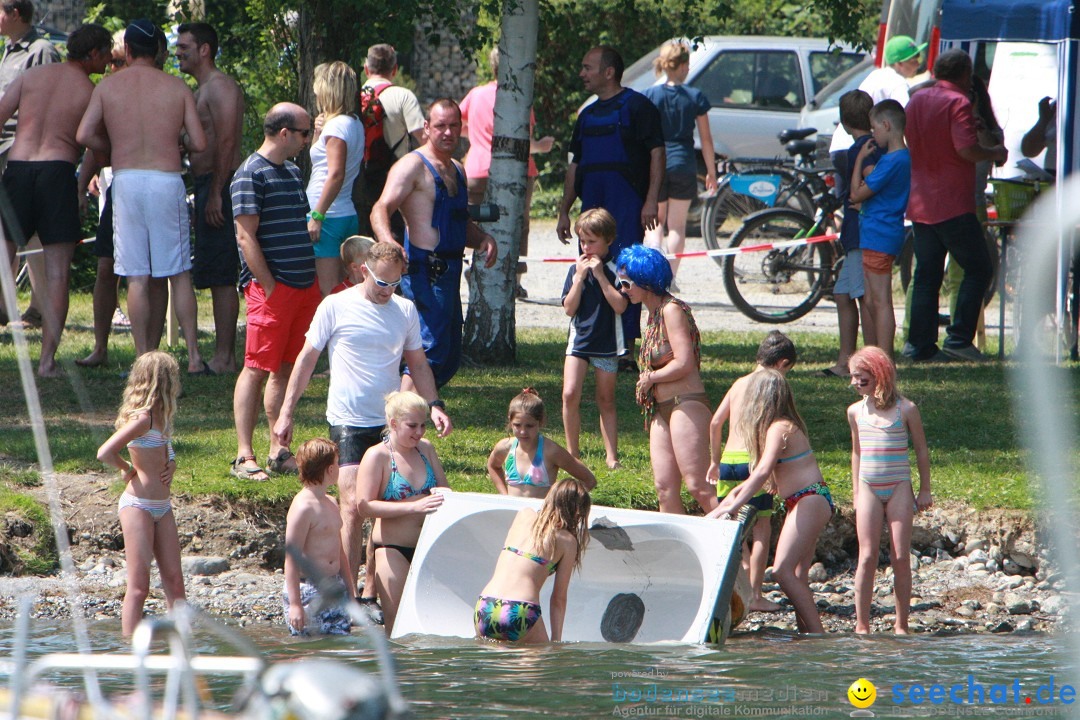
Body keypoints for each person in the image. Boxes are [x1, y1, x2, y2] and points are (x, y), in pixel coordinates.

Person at [272, 241, 452, 618]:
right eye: (382, 283)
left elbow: (418, 363)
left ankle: (372, 591)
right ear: (364, 271)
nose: (388, 291)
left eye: (395, 284)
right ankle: (350, 597)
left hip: (389, 421)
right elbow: (306, 360)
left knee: (391, 500)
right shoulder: (336, 305)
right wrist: (286, 412)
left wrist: (434, 405)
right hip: (349, 419)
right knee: (353, 506)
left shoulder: (404, 310)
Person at [76, 19, 208, 373]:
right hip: (166, 179)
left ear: (129, 51)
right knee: (178, 271)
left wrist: (116, 146)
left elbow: (84, 133)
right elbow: (198, 142)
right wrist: (175, 140)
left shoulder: (108, 87)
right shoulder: (177, 87)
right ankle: (194, 357)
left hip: (128, 178)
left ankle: (141, 359)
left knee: (135, 275)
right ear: (158, 52)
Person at [0, 23, 111, 377]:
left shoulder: (34, 76)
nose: (109, 60)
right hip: (56, 174)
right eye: (106, 52)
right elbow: (97, 144)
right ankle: (47, 362)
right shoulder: (92, 92)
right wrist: (81, 183)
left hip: (17, 170)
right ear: (92, 54)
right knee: (58, 273)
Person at [370, 98, 498, 389]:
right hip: (425, 272)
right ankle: (400, 423)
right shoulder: (411, 166)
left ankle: (412, 418)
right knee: (428, 350)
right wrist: (389, 244)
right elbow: (380, 208)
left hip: (451, 272)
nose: (448, 132)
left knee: (449, 354)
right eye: (440, 126)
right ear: (426, 127)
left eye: (454, 125)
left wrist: (483, 239)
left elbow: (459, 222)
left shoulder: (457, 168)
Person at [228, 102, 320, 482]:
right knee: (255, 369)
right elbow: (245, 236)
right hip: (273, 290)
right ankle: (243, 455)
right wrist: (268, 285)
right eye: (304, 133)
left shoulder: (293, 172)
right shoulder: (250, 174)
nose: (307, 139)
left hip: (303, 287)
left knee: (285, 368)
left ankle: (278, 450)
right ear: (284, 133)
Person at [557, 46, 664, 369]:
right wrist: (564, 209)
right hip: (592, 203)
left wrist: (651, 200)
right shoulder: (587, 115)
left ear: (609, 72)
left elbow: (658, 155)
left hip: (627, 203)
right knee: (590, 270)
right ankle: (589, 343)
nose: (581, 73)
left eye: (587, 67)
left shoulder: (638, 107)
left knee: (627, 271)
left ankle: (626, 349)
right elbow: (576, 166)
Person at [707, 369, 832, 635]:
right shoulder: (780, 426)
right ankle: (807, 636)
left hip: (810, 499)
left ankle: (817, 637)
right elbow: (760, 479)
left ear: (762, 400)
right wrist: (725, 503)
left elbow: (762, 472)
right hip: (807, 500)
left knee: (782, 572)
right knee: (796, 575)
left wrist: (730, 506)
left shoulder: (780, 428)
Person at [903, 49, 1006, 363]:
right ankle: (959, 338)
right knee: (980, 267)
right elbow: (965, 149)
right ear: (965, 73)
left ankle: (919, 345)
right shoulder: (958, 102)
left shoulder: (917, 99)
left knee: (927, 274)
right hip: (951, 201)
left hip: (920, 200)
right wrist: (993, 152)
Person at [619, 245, 714, 514]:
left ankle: (738, 550)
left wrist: (651, 378)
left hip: (685, 402)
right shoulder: (651, 315)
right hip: (660, 408)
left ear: (646, 282)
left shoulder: (672, 310)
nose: (623, 289)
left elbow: (685, 362)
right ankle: (677, 552)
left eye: (627, 283)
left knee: (698, 486)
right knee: (664, 487)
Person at [707, 331, 797, 613]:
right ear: (782, 364)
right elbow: (765, 430)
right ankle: (755, 595)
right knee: (761, 530)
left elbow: (714, 423)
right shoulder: (769, 387)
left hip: (726, 462)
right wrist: (765, 468)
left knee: (733, 523)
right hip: (752, 461)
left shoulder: (738, 383)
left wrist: (713, 460)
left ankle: (737, 575)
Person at [95, 351, 184, 636]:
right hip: (139, 505)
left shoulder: (161, 419)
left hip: (162, 505)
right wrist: (127, 468)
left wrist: (171, 463)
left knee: (175, 581)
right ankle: (130, 651)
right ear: (164, 382)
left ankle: (181, 644)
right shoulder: (143, 419)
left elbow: (160, 450)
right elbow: (105, 452)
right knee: (138, 587)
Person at [847, 346, 932, 634]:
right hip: (869, 486)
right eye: (853, 378)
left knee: (900, 555)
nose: (855, 383)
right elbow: (856, 453)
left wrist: (924, 489)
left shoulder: (906, 409)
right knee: (867, 555)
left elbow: (921, 450)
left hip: (898, 486)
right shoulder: (855, 411)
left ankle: (901, 624)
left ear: (880, 375)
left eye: (861, 378)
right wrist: (857, 492)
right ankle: (862, 625)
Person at [176, 22, 244, 374]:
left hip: (221, 184)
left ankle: (225, 356)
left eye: (185, 46)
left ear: (205, 50)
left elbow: (228, 142)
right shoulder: (201, 89)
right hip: (206, 184)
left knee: (221, 273)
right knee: (214, 271)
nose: (178, 52)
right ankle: (223, 353)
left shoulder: (221, 87)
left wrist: (217, 192)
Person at [459, 47, 555, 298]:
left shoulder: (476, 94)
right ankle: (514, 279)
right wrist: (542, 147)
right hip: (518, 171)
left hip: (477, 169)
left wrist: (479, 137)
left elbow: (456, 124)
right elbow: (525, 142)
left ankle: (475, 266)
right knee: (517, 225)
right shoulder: (520, 97)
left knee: (477, 220)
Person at [356, 391, 449, 634]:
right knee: (397, 629)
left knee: (432, 626)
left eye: (423, 425)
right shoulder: (377, 456)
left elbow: (446, 489)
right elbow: (364, 505)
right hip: (392, 549)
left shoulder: (425, 450)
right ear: (394, 423)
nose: (419, 432)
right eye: (412, 426)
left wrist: (439, 495)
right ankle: (399, 672)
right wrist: (412, 505)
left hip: (428, 547)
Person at [0, 0, 60, 328]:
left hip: (26, 151)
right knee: (4, 230)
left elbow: (53, 100)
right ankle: (4, 308)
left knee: (32, 231)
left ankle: (39, 309)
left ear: (16, 14)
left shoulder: (42, 49)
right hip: (2, 149)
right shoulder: (8, 51)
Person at [475, 478, 591, 643]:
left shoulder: (523, 515)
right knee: (539, 667)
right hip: (520, 609)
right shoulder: (566, 541)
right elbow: (558, 598)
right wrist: (556, 640)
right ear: (577, 512)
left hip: (486, 605)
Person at [641, 41, 717, 285]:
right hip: (684, 164)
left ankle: (653, 272)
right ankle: (669, 277)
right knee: (677, 226)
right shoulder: (695, 97)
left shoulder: (651, 95)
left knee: (655, 222)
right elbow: (706, 140)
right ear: (684, 66)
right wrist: (711, 172)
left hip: (656, 165)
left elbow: (642, 136)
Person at [76, 31, 128, 369]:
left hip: (141, 183)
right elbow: (92, 144)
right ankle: (100, 346)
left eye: (119, 62)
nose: (112, 68)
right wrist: (81, 186)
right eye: (110, 62)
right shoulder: (106, 92)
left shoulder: (156, 88)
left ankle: (149, 353)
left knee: (148, 274)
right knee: (106, 267)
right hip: (115, 186)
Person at [818, 90, 878, 379]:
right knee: (843, 294)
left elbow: (869, 181)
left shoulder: (861, 150)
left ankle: (868, 361)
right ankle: (847, 359)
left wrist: (861, 196)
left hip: (861, 233)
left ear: (842, 122)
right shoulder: (869, 145)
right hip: (856, 233)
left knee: (861, 295)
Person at [561, 208, 627, 469]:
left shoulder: (617, 268)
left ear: (608, 240)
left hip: (607, 343)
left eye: (592, 242)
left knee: (606, 399)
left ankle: (611, 457)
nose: (585, 247)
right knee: (569, 393)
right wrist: (579, 279)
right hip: (579, 342)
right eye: (582, 241)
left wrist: (600, 276)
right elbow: (569, 308)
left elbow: (620, 306)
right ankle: (572, 455)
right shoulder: (575, 269)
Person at [850, 99, 910, 357]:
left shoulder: (891, 161)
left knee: (881, 301)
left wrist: (859, 160)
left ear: (886, 125)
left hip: (879, 235)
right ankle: (877, 355)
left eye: (874, 128)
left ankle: (885, 359)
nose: (873, 133)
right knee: (874, 299)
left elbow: (855, 195)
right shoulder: (902, 159)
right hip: (880, 233)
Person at [283, 437, 353, 636]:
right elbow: (292, 557)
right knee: (312, 649)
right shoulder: (303, 507)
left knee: (340, 645)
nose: (339, 468)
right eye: (338, 463)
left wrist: (351, 593)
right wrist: (295, 604)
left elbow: (339, 551)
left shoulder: (331, 502)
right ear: (330, 469)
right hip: (308, 590)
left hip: (334, 584)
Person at [354, 43, 425, 240]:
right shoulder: (403, 96)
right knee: (393, 232)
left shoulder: (355, 96)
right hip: (396, 179)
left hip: (359, 177)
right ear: (394, 69)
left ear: (366, 69)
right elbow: (423, 137)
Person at [307, 60, 364, 296]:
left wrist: (317, 215)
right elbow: (318, 160)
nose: (316, 93)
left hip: (328, 217)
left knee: (329, 294)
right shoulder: (353, 122)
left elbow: (335, 174)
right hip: (344, 212)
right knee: (346, 290)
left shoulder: (337, 127)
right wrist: (318, 132)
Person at [828, 34, 925, 169]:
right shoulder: (897, 83)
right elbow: (906, 119)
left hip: (840, 146)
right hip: (862, 149)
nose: (919, 64)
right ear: (899, 63)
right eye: (914, 60)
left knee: (850, 190)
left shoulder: (876, 75)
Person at [487, 389, 598, 498]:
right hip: (513, 514)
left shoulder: (550, 451)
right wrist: (504, 495)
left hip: (541, 514)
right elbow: (493, 466)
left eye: (529, 426)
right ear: (510, 422)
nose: (523, 431)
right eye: (517, 425)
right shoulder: (505, 447)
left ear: (541, 422)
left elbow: (589, 480)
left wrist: (565, 504)